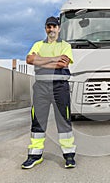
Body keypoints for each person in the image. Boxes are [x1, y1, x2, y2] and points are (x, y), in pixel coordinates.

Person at [21, 16, 76, 169]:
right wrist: (54, 59)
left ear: (59, 28)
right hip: (41, 87)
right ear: (45, 28)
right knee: (37, 120)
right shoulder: (38, 44)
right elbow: (29, 59)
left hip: (60, 87)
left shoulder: (65, 45)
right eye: (48, 27)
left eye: (54, 27)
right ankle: (35, 155)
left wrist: (41, 60)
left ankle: (69, 155)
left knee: (63, 120)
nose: (51, 29)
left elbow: (62, 63)